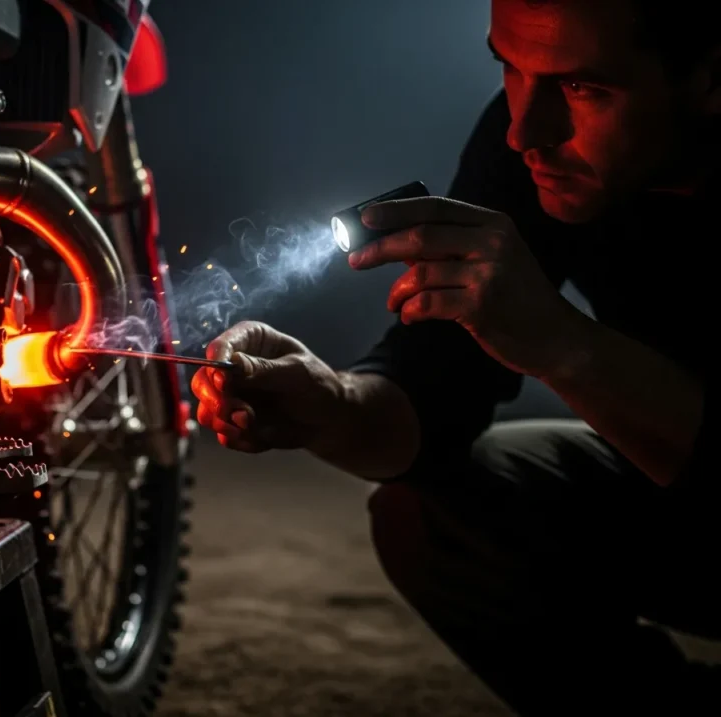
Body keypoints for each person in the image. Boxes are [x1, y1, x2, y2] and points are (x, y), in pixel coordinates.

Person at [191, 1, 721, 714]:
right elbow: (434, 393)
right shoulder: (536, 152)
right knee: (430, 517)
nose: (523, 131)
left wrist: (562, 345)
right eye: (510, 67)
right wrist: (330, 405)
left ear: (710, 75)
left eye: (583, 88)